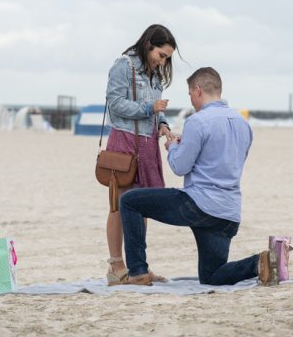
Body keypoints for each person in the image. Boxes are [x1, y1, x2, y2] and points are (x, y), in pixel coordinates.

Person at [120, 67, 275, 286]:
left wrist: (172, 147)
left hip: (199, 205)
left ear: (198, 90)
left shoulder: (197, 121)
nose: (191, 100)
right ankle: (259, 263)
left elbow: (180, 167)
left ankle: (137, 272)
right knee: (211, 277)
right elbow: (224, 159)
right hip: (228, 213)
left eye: (190, 94)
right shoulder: (244, 125)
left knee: (129, 201)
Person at [103, 24, 179, 286]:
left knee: (142, 208)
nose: (163, 61)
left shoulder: (155, 73)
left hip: (147, 144)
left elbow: (157, 110)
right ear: (149, 45)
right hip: (124, 140)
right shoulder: (124, 65)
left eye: (167, 58)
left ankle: (138, 267)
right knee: (118, 205)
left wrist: (163, 124)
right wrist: (149, 108)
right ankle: (116, 267)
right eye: (162, 55)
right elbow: (114, 103)